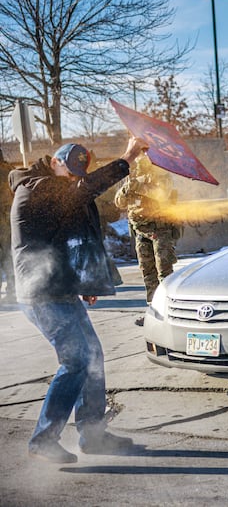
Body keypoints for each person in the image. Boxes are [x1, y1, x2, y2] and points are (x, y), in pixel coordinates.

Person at [10, 136, 149, 463]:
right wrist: (126, 158)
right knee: (76, 360)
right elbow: (84, 192)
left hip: (59, 289)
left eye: (77, 175)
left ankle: (92, 433)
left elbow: (69, 237)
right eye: (69, 173)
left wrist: (84, 279)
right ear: (55, 162)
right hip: (41, 293)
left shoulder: (56, 189)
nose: (73, 180)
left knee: (93, 356)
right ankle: (45, 438)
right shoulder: (35, 188)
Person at [114, 153, 179, 324]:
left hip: (160, 230)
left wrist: (138, 186)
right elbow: (119, 202)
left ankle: (170, 311)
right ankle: (154, 311)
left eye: (142, 161)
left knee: (164, 272)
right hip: (141, 231)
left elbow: (162, 195)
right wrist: (127, 189)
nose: (138, 165)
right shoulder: (132, 178)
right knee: (147, 272)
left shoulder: (161, 175)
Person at [0, 147, 15, 303]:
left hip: (3, 218)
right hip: (10, 217)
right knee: (8, 255)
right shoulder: (10, 171)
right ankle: (12, 290)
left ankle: (12, 290)